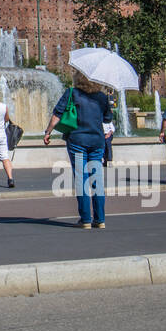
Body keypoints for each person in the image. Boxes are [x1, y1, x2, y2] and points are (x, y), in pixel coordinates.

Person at [45, 71, 112, 228]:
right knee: (97, 179)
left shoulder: (72, 93)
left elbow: (57, 114)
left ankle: (86, 219)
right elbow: (108, 118)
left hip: (77, 141)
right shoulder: (102, 97)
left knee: (81, 178)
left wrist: (48, 132)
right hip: (97, 141)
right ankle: (100, 219)